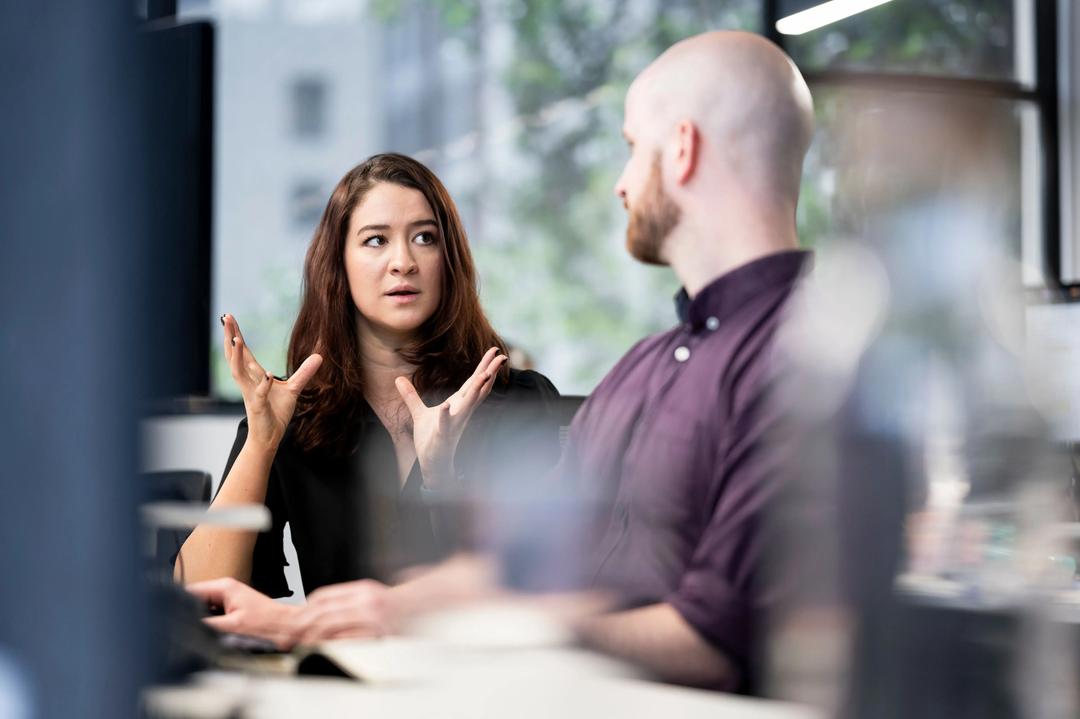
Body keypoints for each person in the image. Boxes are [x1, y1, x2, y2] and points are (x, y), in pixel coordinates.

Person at [190, 30, 815, 692]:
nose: (620, 184)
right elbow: (529, 566)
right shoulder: (643, 370)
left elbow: (713, 628)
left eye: (633, 151)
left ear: (682, 149)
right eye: (375, 241)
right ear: (337, 269)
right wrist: (365, 612)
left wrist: (446, 606)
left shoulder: (804, 360)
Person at [177, 153, 561, 597]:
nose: (403, 262)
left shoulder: (520, 402)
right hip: (337, 665)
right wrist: (262, 444)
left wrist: (440, 478)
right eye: (376, 241)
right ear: (338, 264)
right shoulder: (292, 418)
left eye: (424, 237)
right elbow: (202, 597)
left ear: (449, 260)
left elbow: (544, 588)